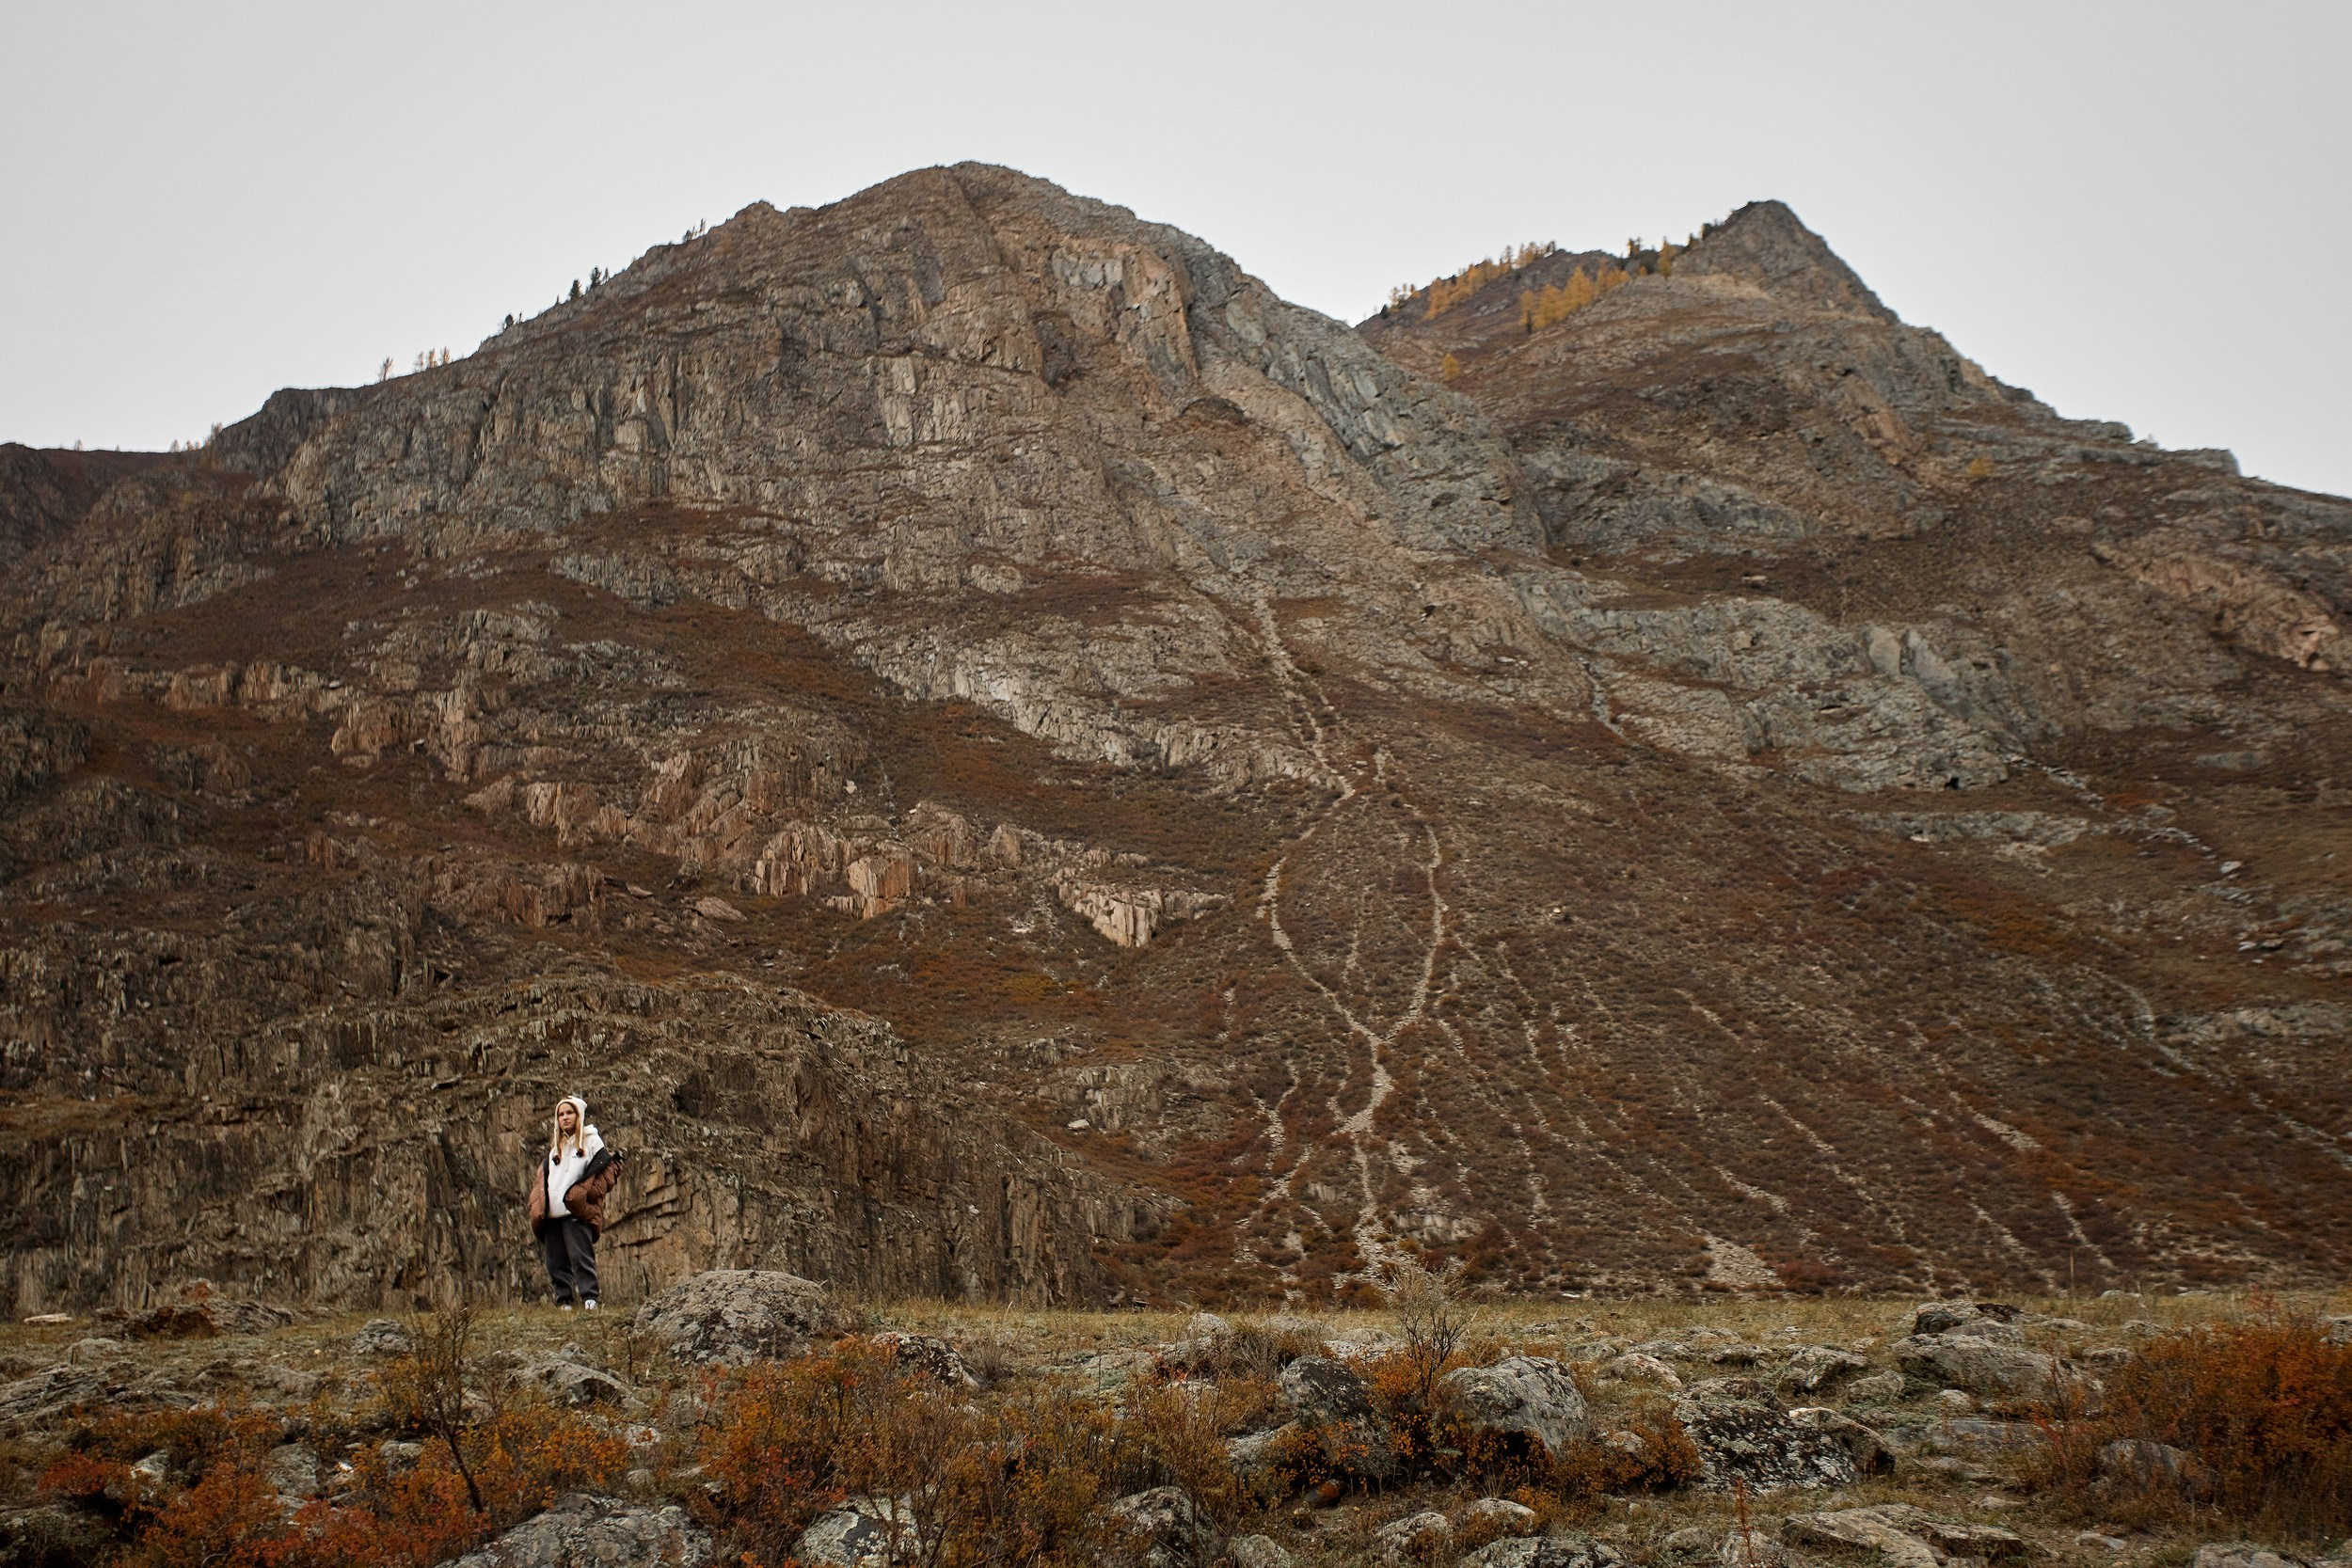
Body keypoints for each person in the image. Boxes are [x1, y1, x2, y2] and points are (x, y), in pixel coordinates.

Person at [527, 1095, 620, 1310]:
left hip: (576, 1211)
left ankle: (590, 1299)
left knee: (581, 1257)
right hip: (552, 1213)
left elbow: (607, 1169)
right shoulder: (554, 1150)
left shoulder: (591, 1141)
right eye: (561, 1114)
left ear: (579, 1115)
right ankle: (564, 1301)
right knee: (555, 1262)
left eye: (569, 1113)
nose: (565, 1118)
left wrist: (588, 1195)